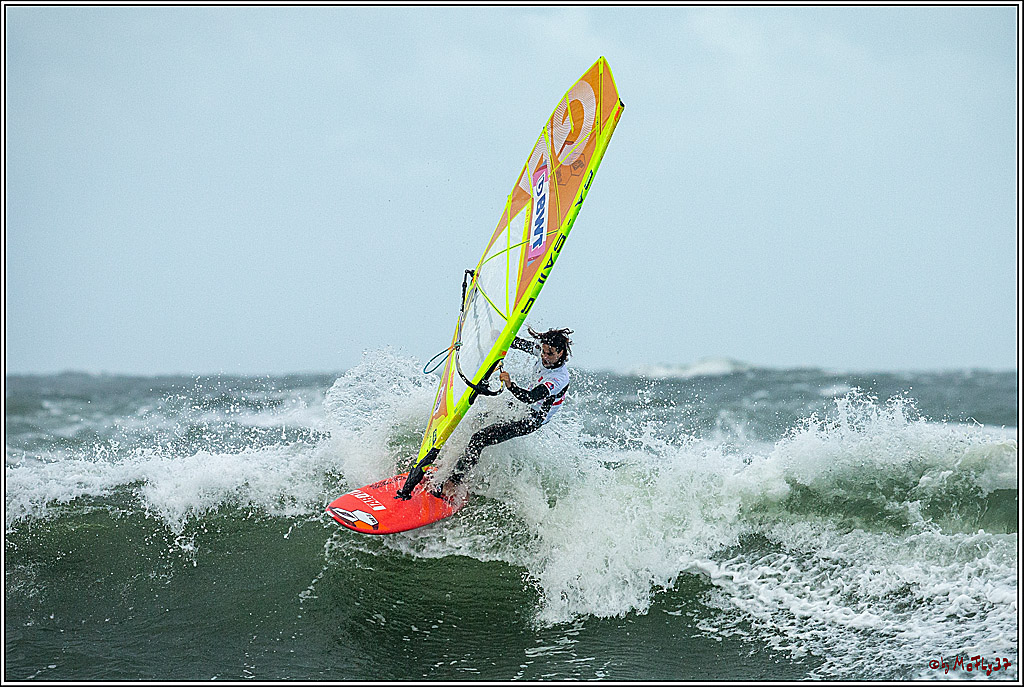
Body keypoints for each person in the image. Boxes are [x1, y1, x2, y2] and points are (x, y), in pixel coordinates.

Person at [395, 327, 572, 500]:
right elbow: (517, 343)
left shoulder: (559, 378)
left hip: (532, 418)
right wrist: (499, 335)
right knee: (477, 420)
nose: (544, 356)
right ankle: (450, 464)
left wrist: (510, 385)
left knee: (480, 438)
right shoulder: (543, 352)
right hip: (520, 406)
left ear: (561, 353)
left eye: (550, 353)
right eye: (543, 351)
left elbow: (530, 397)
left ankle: (453, 483)